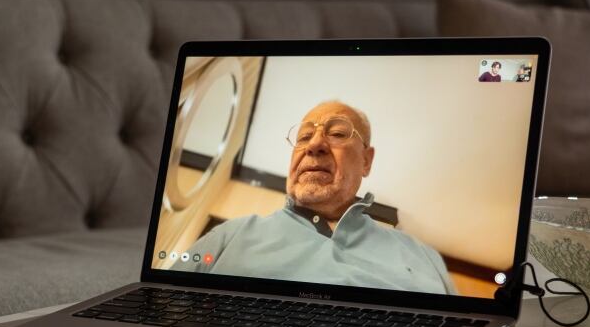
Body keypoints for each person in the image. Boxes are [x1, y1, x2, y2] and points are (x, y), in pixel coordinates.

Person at [172, 101, 455, 295]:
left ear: (366, 161)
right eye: (305, 136)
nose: (315, 145)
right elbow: (165, 303)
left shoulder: (424, 258)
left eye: (337, 133)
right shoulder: (226, 237)